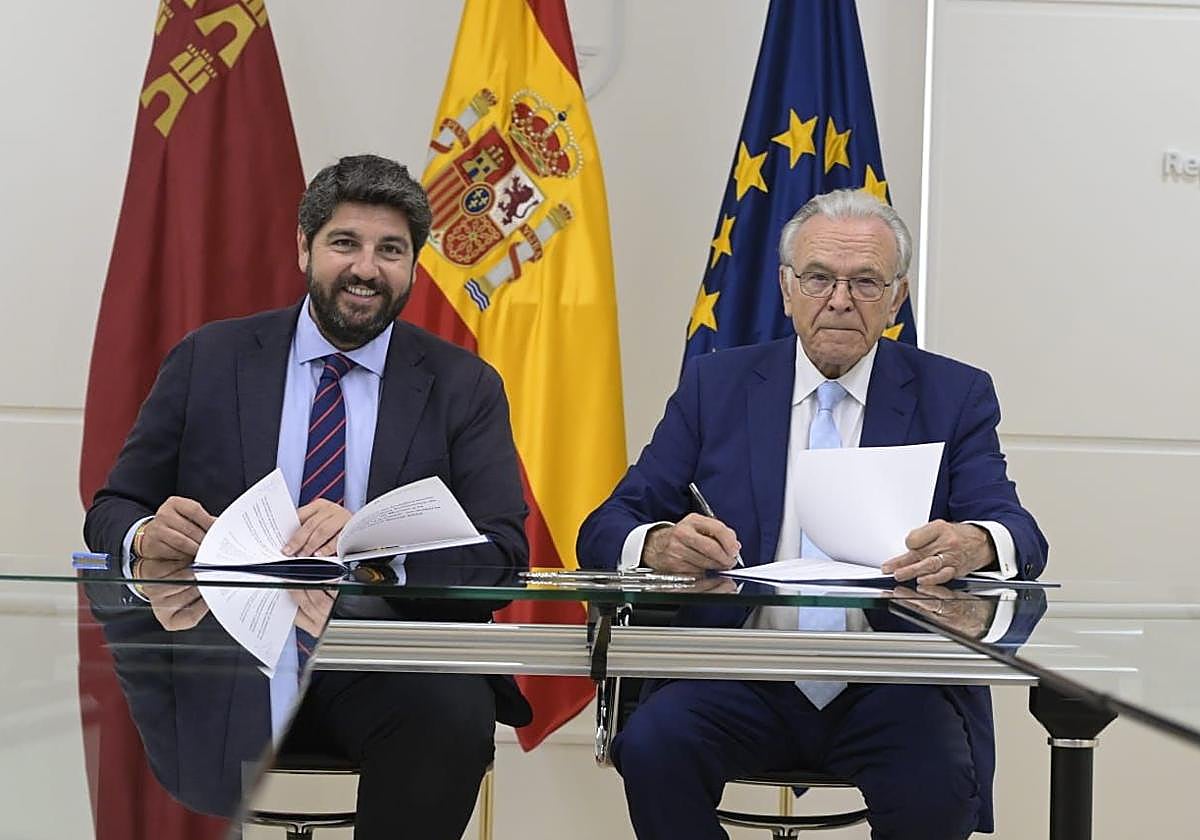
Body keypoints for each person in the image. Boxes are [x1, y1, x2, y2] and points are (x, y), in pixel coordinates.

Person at [577, 189, 1048, 839]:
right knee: (655, 745)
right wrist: (657, 542)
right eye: (820, 278)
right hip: (742, 672)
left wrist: (975, 542)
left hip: (892, 683)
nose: (840, 300)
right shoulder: (716, 386)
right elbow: (606, 525)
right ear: (786, 287)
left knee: (939, 782)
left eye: (865, 282)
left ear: (897, 297)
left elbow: (1019, 531)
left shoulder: (954, 394)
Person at [84, 154, 530, 839]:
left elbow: (503, 555)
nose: (365, 269)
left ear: (414, 265)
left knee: (452, 709)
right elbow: (111, 510)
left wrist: (379, 551)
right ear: (304, 247)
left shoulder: (463, 386)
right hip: (230, 657)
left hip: (379, 662)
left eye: (391, 250)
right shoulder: (210, 358)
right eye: (345, 243)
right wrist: (146, 533)